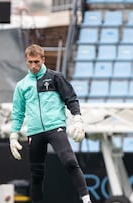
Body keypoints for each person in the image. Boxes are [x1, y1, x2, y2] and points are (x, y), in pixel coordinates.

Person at [9, 44, 92, 203]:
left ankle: (87, 200)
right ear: (26, 61)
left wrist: (78, 121)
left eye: (36, 62)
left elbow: (71, 99)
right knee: (36, 175)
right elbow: (18, 112)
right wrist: (13, 135)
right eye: (30, 62)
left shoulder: (55, 77)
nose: (33, 66)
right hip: (34, 132)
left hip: (55, 127)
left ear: (43, 60)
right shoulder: (22, 86)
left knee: (69, 161)